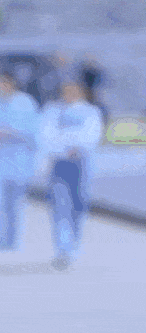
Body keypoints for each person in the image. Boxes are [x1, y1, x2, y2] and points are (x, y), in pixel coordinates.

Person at [0, 69, 41, 252]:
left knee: (13, 205)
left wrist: (12, 132)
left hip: (19, 161)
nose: (3, 86)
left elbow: (35, 132)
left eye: (6, 83)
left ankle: (11, 242)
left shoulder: (26, 103)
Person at [41, 77, 104, 270]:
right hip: (59, 164)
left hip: (81, 164)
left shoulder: (90, 112)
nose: (69, 94)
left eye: (73, 90)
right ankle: (63, 249)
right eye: (66, 90)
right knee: (60, 206)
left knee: (78, 205)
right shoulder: (52, 110)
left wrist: (74, 145)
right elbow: (46, 135)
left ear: (81, 92)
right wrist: (63, 147)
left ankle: (74, 242)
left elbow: (91, 136)